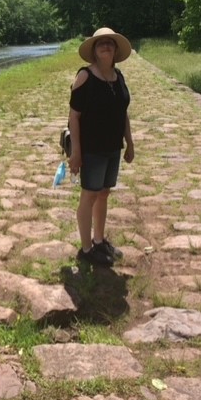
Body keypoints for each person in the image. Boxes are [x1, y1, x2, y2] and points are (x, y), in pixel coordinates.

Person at [68, 27, 134, 267]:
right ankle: (86, 250)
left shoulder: (119, 77)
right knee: (89, 194)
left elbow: (123, 113)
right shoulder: (85, 76)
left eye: (110, 43)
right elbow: (74, 116)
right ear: (94, 51)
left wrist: (130, 142)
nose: (106, 46)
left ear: (116, 50)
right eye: (100, 43)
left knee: (104, 193)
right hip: (91, 148)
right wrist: (76, 152)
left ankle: (99, 240)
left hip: (112, 147)